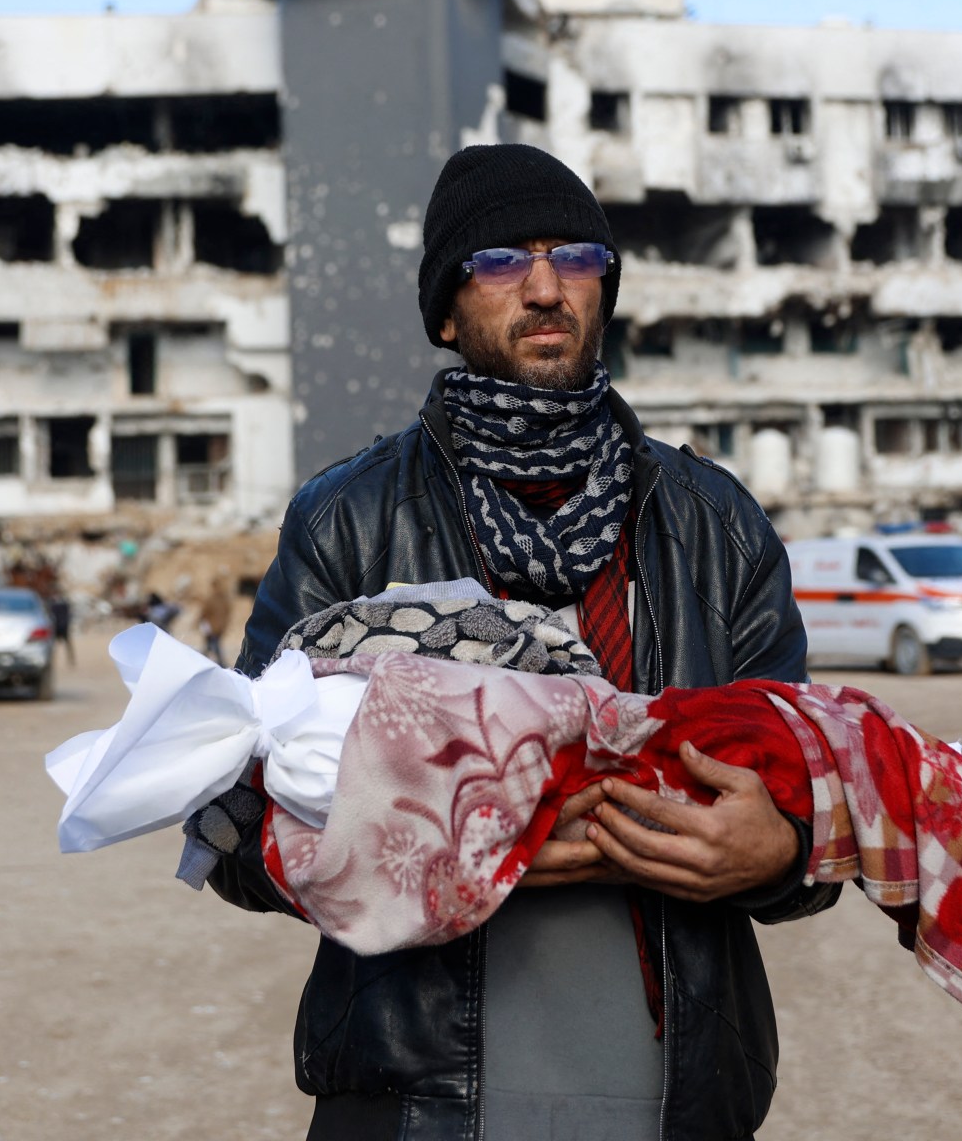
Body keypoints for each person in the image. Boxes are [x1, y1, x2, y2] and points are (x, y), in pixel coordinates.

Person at [208, 144, 836, 1141]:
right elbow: (236, 828)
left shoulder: (716, 526)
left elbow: (817, 788)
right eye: (501, 260)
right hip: (416, 1100)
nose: (546, 288)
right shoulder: (348, 523)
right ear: (446, 313)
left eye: (574, 258)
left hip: (674, 1101)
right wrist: (428, 839)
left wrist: (781, 851)